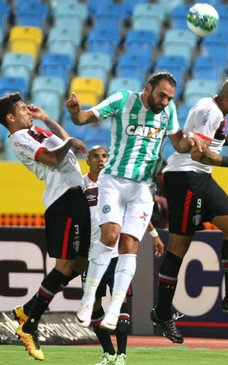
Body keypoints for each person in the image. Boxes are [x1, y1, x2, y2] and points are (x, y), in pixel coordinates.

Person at [66, 71, 198, 330]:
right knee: (110, 236)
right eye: (161, 95)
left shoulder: (168, 111)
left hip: (143, 189)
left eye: (170, 98)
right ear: (148, 87)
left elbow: (179, 143)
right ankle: (88, 299)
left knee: (129, 246)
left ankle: (114, 309)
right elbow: (83, 118)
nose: (165, 102)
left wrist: (193, 142)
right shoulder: (123, 99)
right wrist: (74, 112)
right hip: (113, 181)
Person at [150, 78, 228, 344]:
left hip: (200, 178)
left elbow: (211, 137)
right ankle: (162, 313)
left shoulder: (215, 110)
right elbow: (198, 154)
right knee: (178, 247)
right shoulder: (209, 110)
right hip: (185, 177)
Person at [0, 93, 90, 361]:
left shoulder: (35, 130)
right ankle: (29, 326)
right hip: (63, 201)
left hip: (75, 195)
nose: (28, 111)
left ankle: (27, 308)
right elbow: (51, 158)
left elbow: (63, 143)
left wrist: (46, 118)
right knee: (65, 267)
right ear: (10, 118)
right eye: (23, 109)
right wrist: (69, 142)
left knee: (82, 264)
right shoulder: (19, 138)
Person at [82, 145, 165, 365]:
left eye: (105, 156)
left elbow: (137, 211)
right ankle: (108, 352)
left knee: (122, 302)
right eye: (96, 156)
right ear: (87, 160)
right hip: (93, 254)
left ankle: (122, 354)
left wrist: (154, 234)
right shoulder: (81, 185)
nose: (101, 160)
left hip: (118, 254)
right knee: (95, 305)